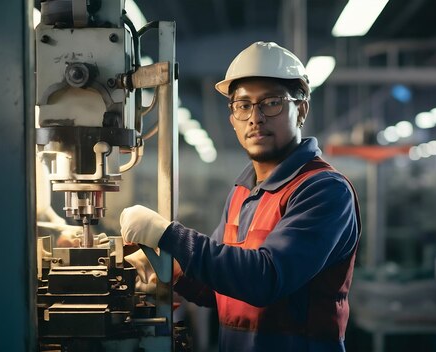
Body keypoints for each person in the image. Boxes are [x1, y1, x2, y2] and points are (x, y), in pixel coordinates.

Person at [120, 41, 361, 352]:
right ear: (233, 116)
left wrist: (168, 235)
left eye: (271, 103)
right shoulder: (243, 192)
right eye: (243, 105)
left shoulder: (323, 190)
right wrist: (171, 270)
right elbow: (220, 288)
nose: (255, 118)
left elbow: (264, 279)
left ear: (301, 109)